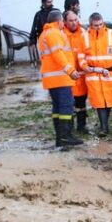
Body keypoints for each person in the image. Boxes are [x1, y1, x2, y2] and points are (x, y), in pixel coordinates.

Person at [79, 12, 112, 136]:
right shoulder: (84, 37)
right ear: (90, 25)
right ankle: (104, 128)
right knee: (99, 101)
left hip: (110, 73)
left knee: (109, 100)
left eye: (100, 24)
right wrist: (86, 67)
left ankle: (104, 124)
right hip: (93, 75)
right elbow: (81, 56)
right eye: (96, 25)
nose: (99, 27)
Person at [37, 10, 82, 147]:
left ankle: (60, 137)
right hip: (60, 78)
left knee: (57, 108)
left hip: (53, 79)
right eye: (63, 20)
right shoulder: (54, 33)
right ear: (58, 21)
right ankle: (66, 136)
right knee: (66, 107)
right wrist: (70, 70)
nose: (64, 23)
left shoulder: (45, 34)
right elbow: (58, 55)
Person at [62, 10, 89, 133]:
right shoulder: (61, 35)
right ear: (65, 22)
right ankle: (69, 127)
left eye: (75, 20)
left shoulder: (84, 33)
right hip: (66, 75)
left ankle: (82, 126)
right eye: (71, 20)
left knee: (81, 102)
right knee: (68, 103)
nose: (74, 23)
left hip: (81, 74)